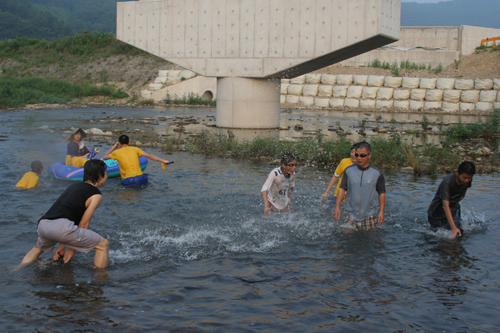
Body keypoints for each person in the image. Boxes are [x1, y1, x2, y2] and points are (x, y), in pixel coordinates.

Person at [21, 160, 109, 268]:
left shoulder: (72, 187)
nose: (107, 175)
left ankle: (17, 270)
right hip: (62, 228)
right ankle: (101, 279)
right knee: (103, 245)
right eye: (106, 173)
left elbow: (66, 214)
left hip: (44, 224)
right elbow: (84, 224)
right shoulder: (96, 195)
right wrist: (72, 249)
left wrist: (62, 246)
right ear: (99, 176)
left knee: (38, 248)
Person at [334, 142, 386, 229]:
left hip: (369, 214)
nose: (359, 158)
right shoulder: (348, 171)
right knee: (345, 237)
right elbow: (342, 188)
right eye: (357, 155)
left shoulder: (377, 174)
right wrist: (337, 207)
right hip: (350, 213)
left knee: (371, 240)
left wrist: (381, 211)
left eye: (362, 155)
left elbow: (381, 193)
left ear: (369, 155)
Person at [427, 161, 475, 238]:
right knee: (437, 237)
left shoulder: (467, 180)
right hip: (436, 213)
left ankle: (456, 249)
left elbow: (462, 194)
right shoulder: (448, 182)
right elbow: (445, 205)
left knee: (457, 234)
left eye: (469, 178)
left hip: (453, 208)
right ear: (457, 172)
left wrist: (454, 227)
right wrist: (453, 228)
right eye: (464, 178)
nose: (466, 180)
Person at [103, 134, 170, 186]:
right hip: (142, 178)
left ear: (119, 144)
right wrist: (163, 161)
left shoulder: (117, 152)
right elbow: (150, 156)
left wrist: (114, 146)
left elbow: (104, 157)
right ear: (129, 142)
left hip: (128, 180)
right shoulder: (135, 149)